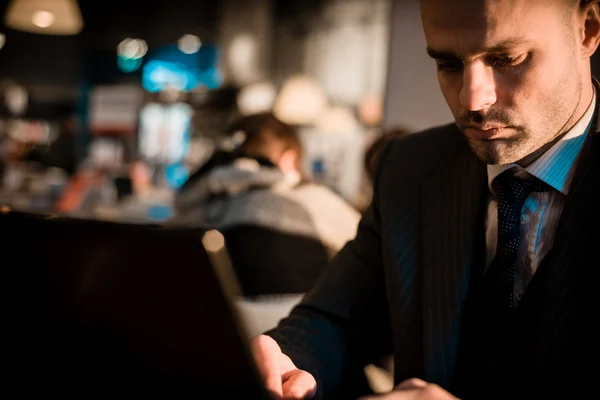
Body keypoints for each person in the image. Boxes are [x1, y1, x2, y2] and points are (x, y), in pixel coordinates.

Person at [251, 0, 600, 398]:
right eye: (449, 64)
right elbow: (336, 320)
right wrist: (289, 361)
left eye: (507, 58)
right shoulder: (409, 169)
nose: (473, 100)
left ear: (587, 28)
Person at [172, 112, 360, 297]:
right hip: (296, 319)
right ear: (290, 158)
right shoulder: (314, 202)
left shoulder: (199, 203)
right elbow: (370, 252)